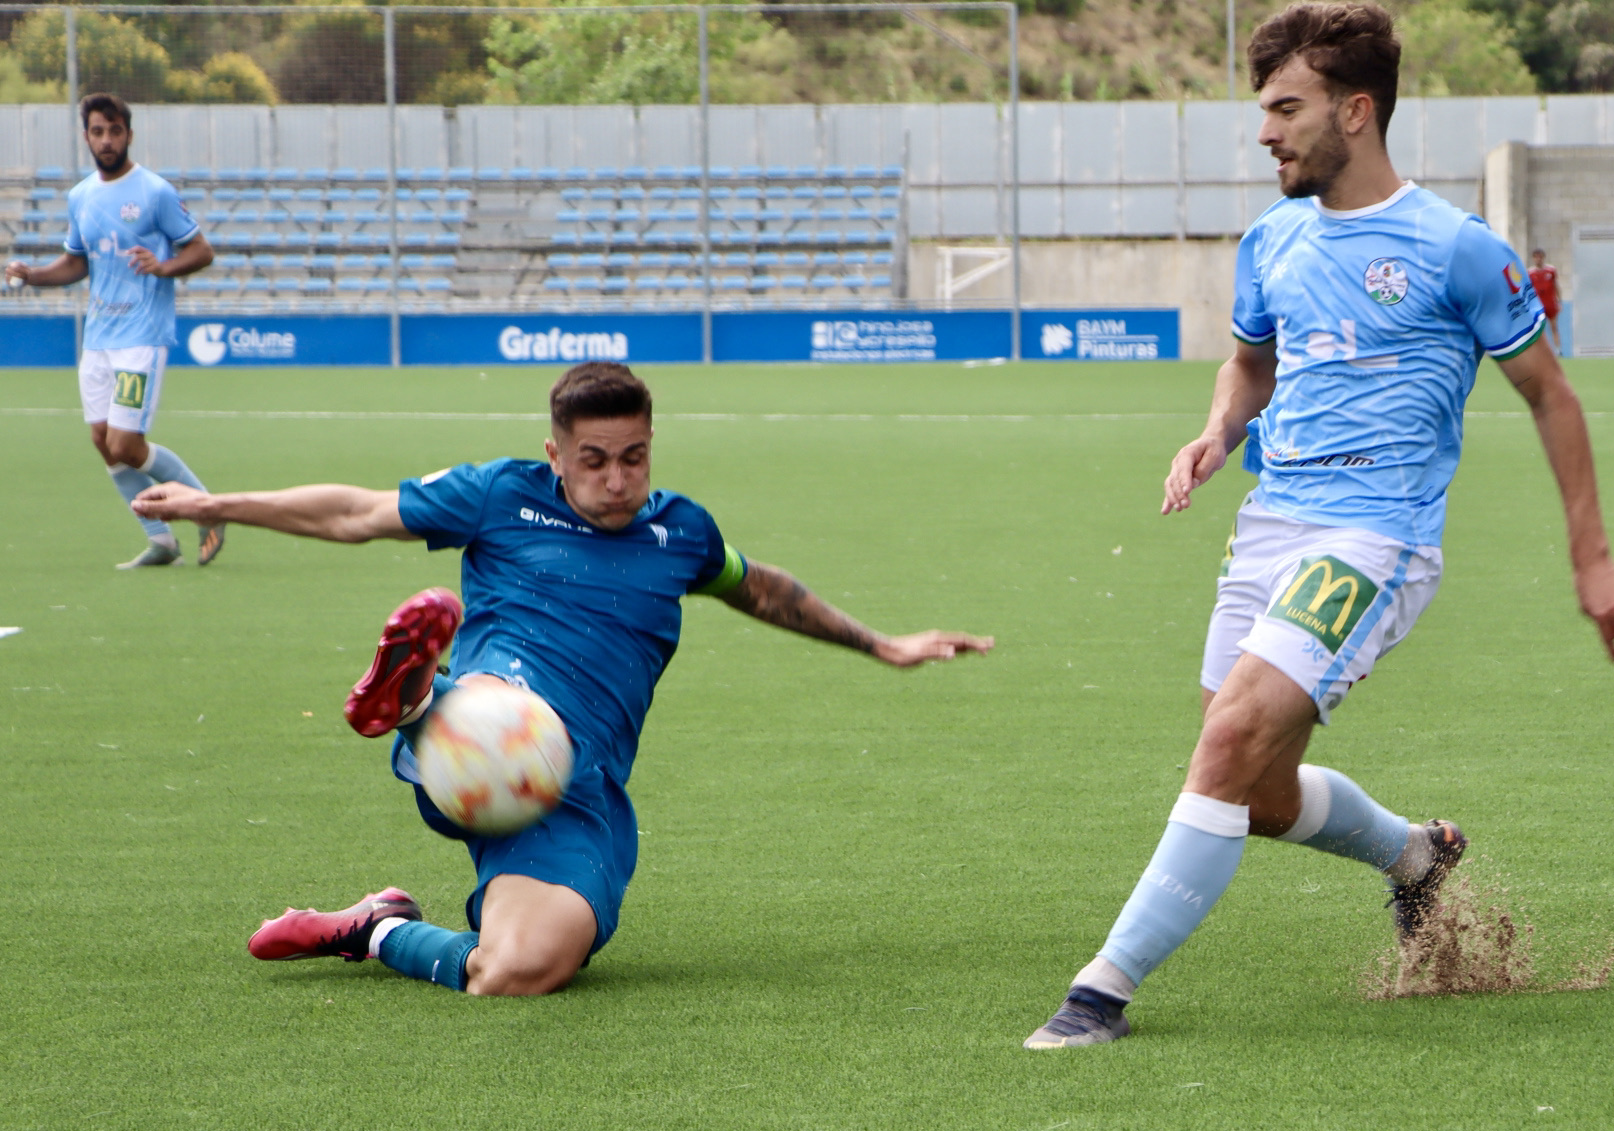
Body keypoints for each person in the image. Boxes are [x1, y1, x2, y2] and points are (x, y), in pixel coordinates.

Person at [1022, 2, 1614, 1050]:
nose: (1265, 132)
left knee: (1223, 744)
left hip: (1376, 536)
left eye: (1285, 108)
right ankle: (1414, 855)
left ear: (1355, 111)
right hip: (1272, 524)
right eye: (1262, 109)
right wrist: (1218, 430)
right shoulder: (1271, 239)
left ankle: (1097, 995)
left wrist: (1592, 554)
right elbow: (1251, 365)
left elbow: (1552, 396)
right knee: (1256, 792)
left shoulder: (1456, 247)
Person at [134, 362, 991, 997]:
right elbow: (356, 512)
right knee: (504, 715)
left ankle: (375, 925)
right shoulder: (500, 495)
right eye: (593, 460)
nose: (617, 480)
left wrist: (882, 645)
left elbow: (760, 587)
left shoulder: (682, 533)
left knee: (516, 971)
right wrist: (214, 505)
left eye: (634, 457)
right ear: (555, 453)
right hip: (493, 728)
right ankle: (422, 700)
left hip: (573, 788)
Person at [6, 93, 224, 569]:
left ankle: (209, 508)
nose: (106, 140)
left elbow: (202, 251)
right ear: (86, 137)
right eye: (97, 132)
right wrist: (33, 275)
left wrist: (164, 267)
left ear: (129, 134)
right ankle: (160, 540)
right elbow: (76, 262)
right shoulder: (80, 196)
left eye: (115, 131)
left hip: (141, 335)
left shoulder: (155, 191)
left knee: (127, 445)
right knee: (104, 442)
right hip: (99, 337)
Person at [1527, 247, 1564, 355]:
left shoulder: (1550, 270)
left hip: (1550, 304)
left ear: (1543, 258)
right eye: (1536, 257)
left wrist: (1559, 301)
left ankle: (1558, 350)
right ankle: (1542, 353)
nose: (1538, 259)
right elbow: (1528, 289)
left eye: (1540, 257)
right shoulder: (1530, 272)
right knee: (1539, 330)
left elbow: (1556, 286)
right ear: (1533, 259)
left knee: (1554, 327)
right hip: (1538, 305)